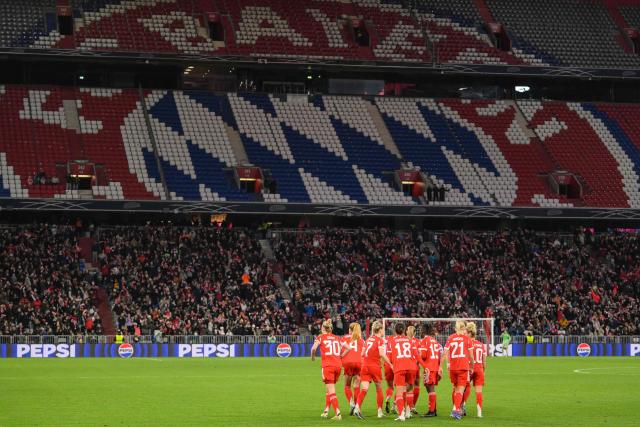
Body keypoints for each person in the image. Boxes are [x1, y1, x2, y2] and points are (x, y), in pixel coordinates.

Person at [354, 320, 392, 419]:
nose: (384, 331)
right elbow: (382, 354)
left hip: (365, 366)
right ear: (379, 330)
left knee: (364, 389)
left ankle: (357, 408)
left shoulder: (368, 340)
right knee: (379, 388)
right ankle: (379, 412)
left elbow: (362, 354)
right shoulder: (380, 340)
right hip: (374, 366)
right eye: (383, 329)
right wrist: (391, 364)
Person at [311, 319, 345, 420]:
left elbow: (313, 348)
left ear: (323, 328)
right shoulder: (337, 338)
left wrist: (313, 357)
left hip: (328, 366)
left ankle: (338, 414)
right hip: (338, 366)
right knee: (329, 390)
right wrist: (340, 356)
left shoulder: (320, 337)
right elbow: (348, 347)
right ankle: (326, 411)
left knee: (331, 391)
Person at [443, 320, 475, 420]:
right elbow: (471, 356)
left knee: (455, 388)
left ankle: (454, 408)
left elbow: (445, 353)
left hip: (453, 367)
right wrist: (472, 367)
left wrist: (446, 364)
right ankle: (456, 411)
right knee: (460, 390)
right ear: (464, 328)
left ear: (456, 328)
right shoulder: (467, 339)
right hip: (463, 367)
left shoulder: (450, 338)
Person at [389, 322, 419, 421]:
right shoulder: (410, 341)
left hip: (400, 367)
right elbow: (416, 355)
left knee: (399, 392)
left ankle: (401, 414)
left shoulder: (392, 341)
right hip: (411, 367)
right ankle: (408, 412)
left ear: (395, 331)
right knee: (409, 390)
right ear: (404, 330)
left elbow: (391, 356)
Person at [462, 322, 486, 418]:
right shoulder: (481, 345)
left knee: (466, 387)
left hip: (469, 368)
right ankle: (479, 413)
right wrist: (483, 371)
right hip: (479, 369)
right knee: (479, 391)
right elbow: (484, 361)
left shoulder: (466, 343)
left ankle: (462, 405)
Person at [419, 324, 443, 417]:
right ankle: (434, 409)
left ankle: (432, 411)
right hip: (435, 366)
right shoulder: (435, 341)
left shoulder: (425, 340)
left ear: (424, 331)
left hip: (429, 367)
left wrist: (417, 356)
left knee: (430, 388)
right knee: (430, 387)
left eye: (421, 330)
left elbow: (423, 355)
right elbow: (439, 355)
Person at [342, 322, 364, 415]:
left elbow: (341, 350)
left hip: (348, 362)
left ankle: (351, 403)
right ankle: (357, 408)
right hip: (359, 362)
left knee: (347, 386)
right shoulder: (361, 340)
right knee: (356, 386)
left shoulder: (344, 338)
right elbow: (363, 353)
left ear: (349, 330)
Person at [406, 325, 421, 415]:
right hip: (416, 366)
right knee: (416, 386)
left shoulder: (404, 340)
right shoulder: (418, 342)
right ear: (415, 333)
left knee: (405, 387)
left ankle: (399, 404)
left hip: (406, 366)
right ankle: (412, 406)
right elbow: (419, 355)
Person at [383, 325, 397, 414]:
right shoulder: (399, 340)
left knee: (390, 386)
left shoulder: (387, 339)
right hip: (396, 364)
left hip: (387, 364)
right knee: (400, 387)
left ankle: (388, 397)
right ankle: (394, 406)